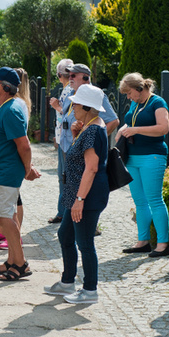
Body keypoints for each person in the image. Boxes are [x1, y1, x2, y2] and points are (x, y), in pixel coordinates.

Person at [44, 84, 110, 305]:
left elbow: (91, 168)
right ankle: (67, 281)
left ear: (85, 106)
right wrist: (75, 134)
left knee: (84, 243)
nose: (71, 107)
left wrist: (80, 200)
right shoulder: (89, 127)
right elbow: (79, 157)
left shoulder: (93, 130)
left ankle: (90, 290)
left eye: (74, 104)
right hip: (78, 195)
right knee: (65, 236)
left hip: (87, 196)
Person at [0, 67, 41, 281]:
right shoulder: (5, 106)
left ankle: (20, 263)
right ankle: (12, 259)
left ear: (6, 88)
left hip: (5, 173)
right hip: (1, 172)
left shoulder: (12, 109)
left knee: (3, 217)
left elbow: (24, 145)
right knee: (9, 216)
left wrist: (27, 169)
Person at [51, 64, 119, 225]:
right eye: (68, 75)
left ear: (86, 78)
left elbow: (113, 121)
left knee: (81, 182)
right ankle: (65, 213)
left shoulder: (95, 95)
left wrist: (90, 139)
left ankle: (87, 222)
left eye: (73, 75)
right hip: (67, 143)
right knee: (65, 179)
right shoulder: (72, 93)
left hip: (80, 148)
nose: (70, 79)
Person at [117, 73, 169, 257]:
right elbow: (130, 122)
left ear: (139, 89)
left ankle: (163, 244)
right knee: (140, 201)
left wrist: (135, 130)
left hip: (152, 156)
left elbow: (163, 128)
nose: (128, 97)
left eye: (129, 92)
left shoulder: (158, 103)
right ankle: (143, 242)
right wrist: (123, 130)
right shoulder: (136, 103)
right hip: (132, 157)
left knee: (155, 200)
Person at [48, 58, 74, 224]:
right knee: (63, 175)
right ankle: (63, 211)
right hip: (63, 137)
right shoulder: (69, 89)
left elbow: (70, 115)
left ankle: (64, 212)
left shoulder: (69, 90)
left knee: (64, 175)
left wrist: (57, 107)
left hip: (66, 139)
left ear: (59, 75)